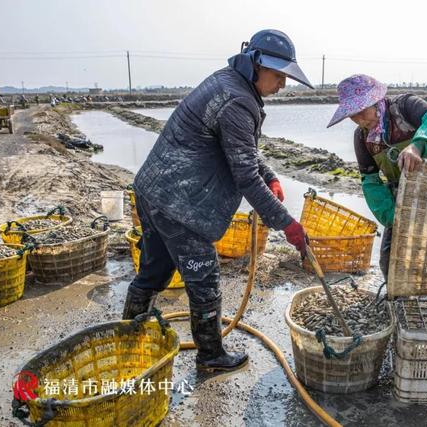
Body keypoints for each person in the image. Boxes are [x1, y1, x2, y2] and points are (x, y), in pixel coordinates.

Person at [124, 29, 313, 373]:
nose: (282, 84)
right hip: (180, 203)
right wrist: (287, 224)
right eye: (278, 75)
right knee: (205, 280)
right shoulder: (238, 100)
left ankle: (127, 337)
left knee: (154, 270)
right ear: (256, 64)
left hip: (153, 191)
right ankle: (210, 356)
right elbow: (244, 175)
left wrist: (269, 174)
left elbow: (242, 151)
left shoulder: (228, 82)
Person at [327, 74, 427, 312]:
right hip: (403, 196)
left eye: (361, 111)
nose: (357, 119)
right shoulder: (362, 137)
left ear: (375, 100)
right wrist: (392, 218)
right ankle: (400, 310)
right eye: (352, 114)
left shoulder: (404, 106)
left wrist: (418, 144)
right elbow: (370, 181)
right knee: (390, 258)